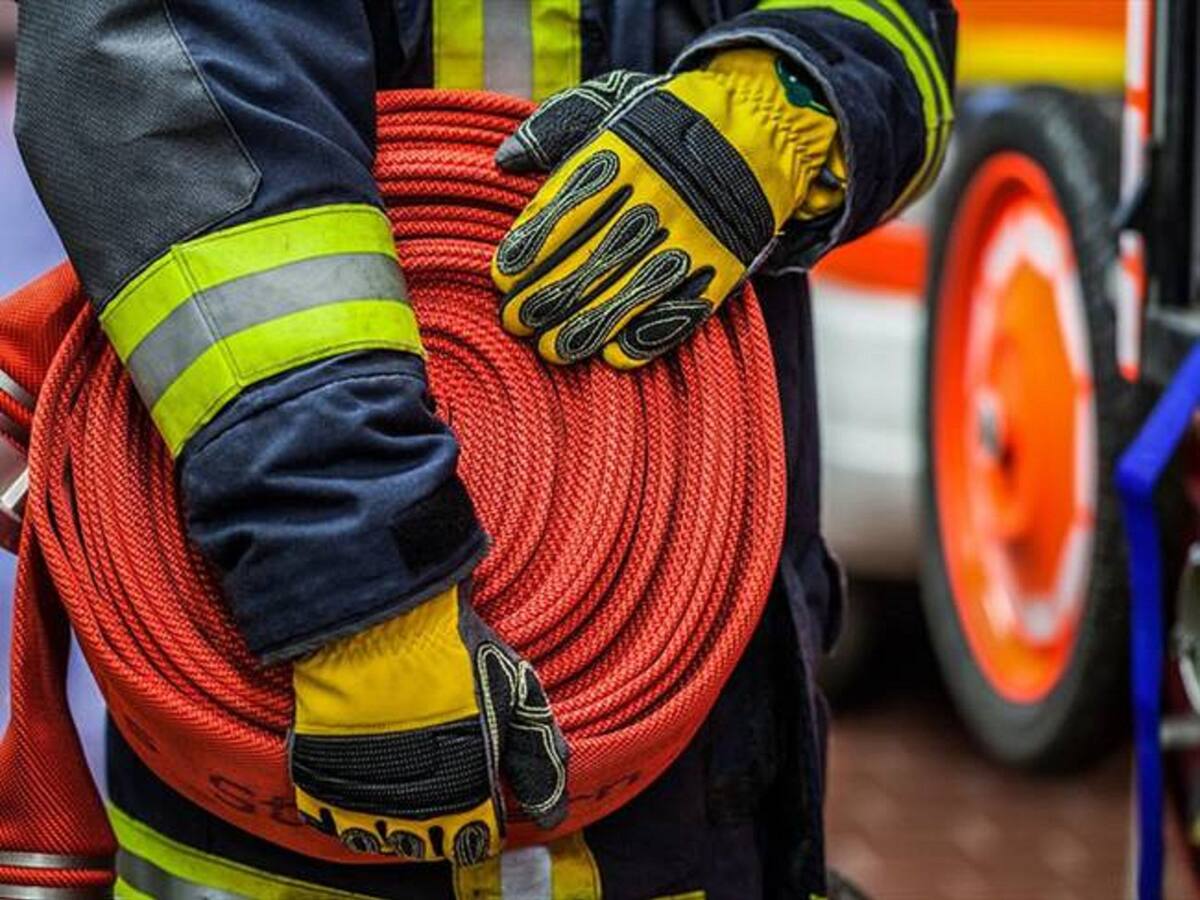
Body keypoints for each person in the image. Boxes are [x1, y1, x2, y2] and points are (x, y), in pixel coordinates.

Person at [13, 2, 955, 897]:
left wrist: (784, 96)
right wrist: (356, 577)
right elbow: (164, 76)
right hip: (299, 676)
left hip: (705, 770)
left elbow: (904, 25)